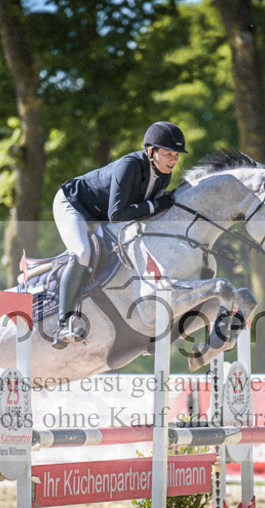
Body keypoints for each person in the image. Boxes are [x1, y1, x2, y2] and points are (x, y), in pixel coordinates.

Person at [50, 121, 188, 348]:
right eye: (168, 154)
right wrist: (155, 205)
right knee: (82, 252)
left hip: (100, 215)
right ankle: (64, 322)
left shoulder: (164, 174)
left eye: (176, 155)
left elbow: (141, 212)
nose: (173, 160)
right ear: (150, 151)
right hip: (73, 205)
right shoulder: (130, 166)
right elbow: (118, 214)